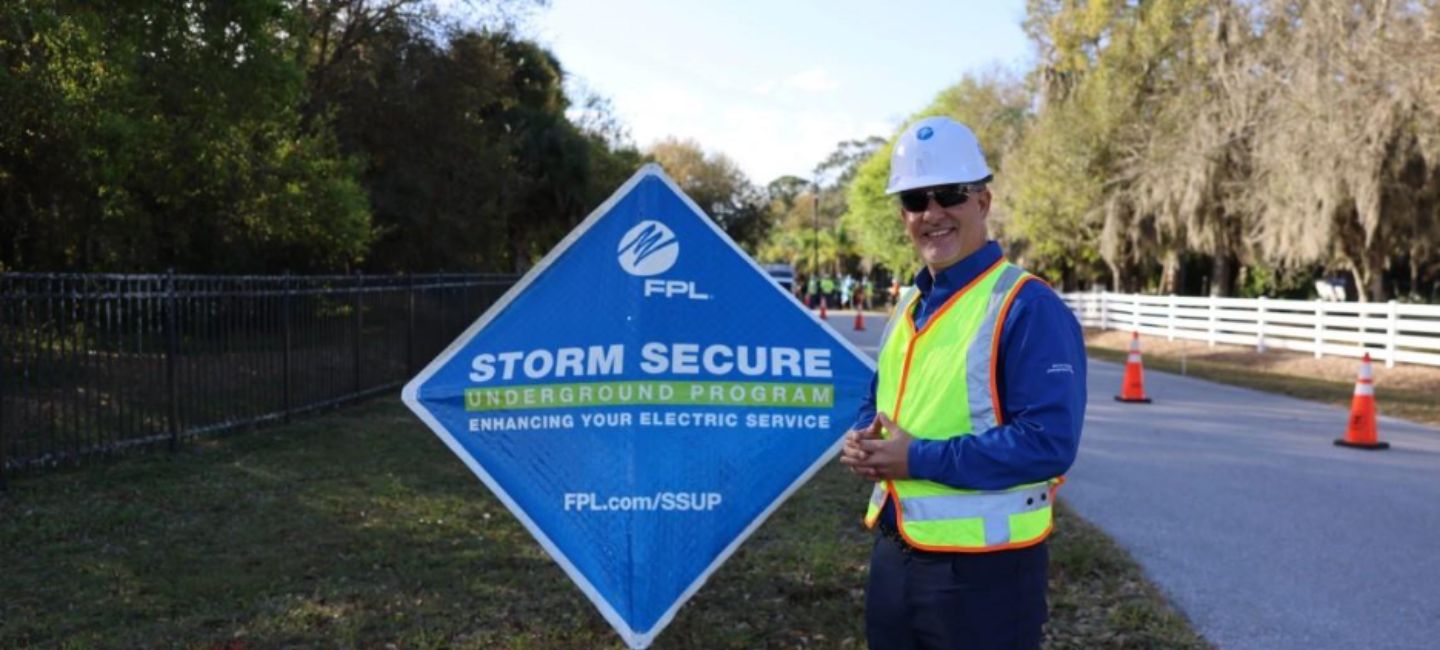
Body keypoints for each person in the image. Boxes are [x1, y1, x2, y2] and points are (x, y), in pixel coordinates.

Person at [838, 116, 1086, 650]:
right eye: (914, 200)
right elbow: (880, 397)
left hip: (986, 579)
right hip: (897, 552)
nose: (931, 214)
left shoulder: (1026, 306)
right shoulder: (910, 303)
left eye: (949, 194)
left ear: (983, 202)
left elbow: (1049, 444)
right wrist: (864, 438)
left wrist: (916, 459)